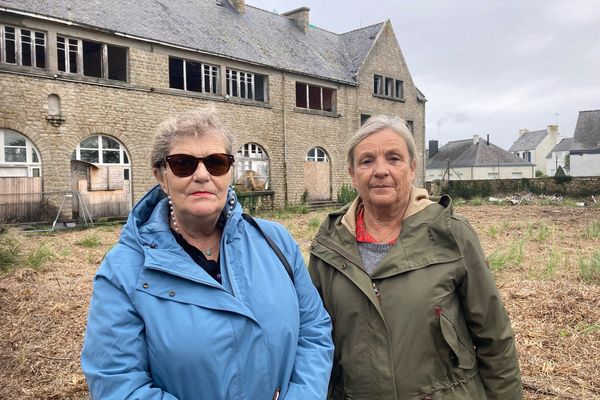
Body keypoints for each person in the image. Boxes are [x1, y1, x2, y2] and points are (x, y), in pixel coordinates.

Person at [81, 108, 333, 400]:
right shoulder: (124, 272)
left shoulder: (276, 242)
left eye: (215, 163)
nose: (202, 175)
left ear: (229, 172)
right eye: (183, 164)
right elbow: (118, 383)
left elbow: (314, 331)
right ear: (161, 177)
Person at [308, 115, 523, 399]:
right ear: (351, 173)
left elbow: (494, 338)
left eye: (394, 158)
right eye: (367, 161)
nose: (380, 170)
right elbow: (315, 341)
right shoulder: (329, 244)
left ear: (412, 169)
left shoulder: (451, 234)